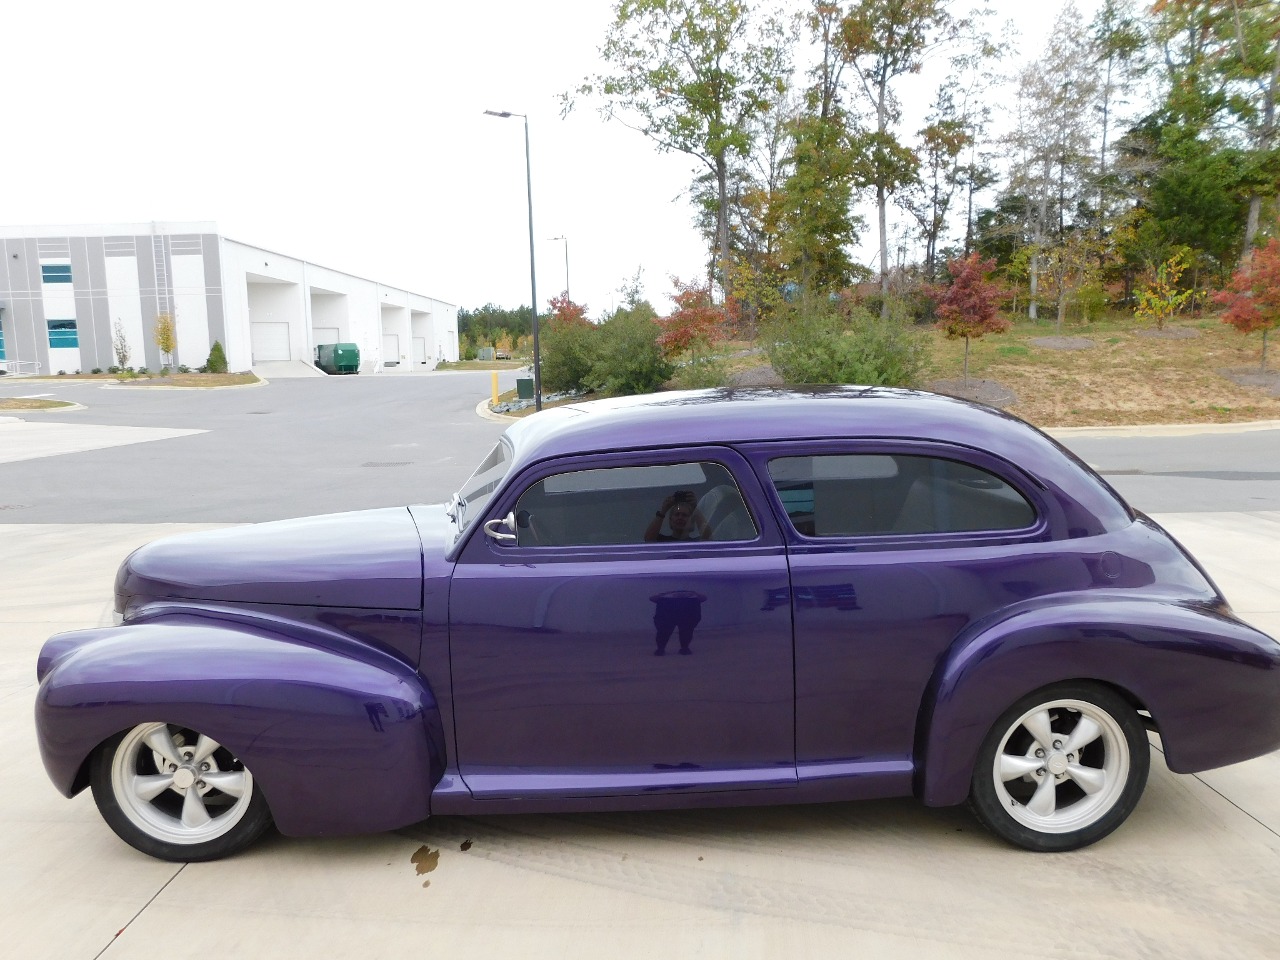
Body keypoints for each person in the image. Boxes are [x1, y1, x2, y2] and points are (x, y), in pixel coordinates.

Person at [644, 490, 711, 542]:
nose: (680, 518)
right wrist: (663, 511)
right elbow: (649, 539)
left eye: (684, 515)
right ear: (670, 520)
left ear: (692, 521)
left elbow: (708, 537)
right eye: (677, 514)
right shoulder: (662, 542)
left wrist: (695, 508)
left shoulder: (697, 542)